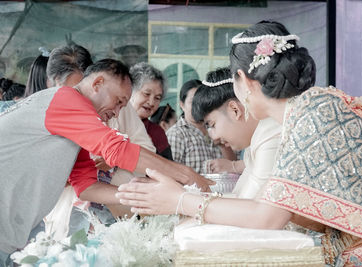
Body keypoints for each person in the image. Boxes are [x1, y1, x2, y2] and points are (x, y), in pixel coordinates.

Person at [117, 21, 362, 265]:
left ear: (242, 80)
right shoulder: (303, 113)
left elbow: (267, 217)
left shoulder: (312, 112)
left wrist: (180, 200)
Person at [0, 58, 210, 264]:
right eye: (118, 102)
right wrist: (187, 175)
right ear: (97, 83)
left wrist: (140, 196)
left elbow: (86, 186)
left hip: (13, 238)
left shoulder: (74, 126)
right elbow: (118, 150)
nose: (116, 113)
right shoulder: (65, 100)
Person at [192, 67, 281, 198]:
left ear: (235, 110)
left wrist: (186, 200)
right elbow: (239, 196)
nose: (214, 137)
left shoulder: (270, 133)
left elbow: (250, 207)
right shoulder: (255, 143)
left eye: (212, 125)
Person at [167, 79, 237, 173]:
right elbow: (170, 172)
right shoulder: (176, 134)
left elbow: (235, 167)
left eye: (200, 101)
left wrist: (222, 145)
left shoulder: (218, 126)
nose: (198, 106)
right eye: (192, 102)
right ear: (182, 105)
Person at [130, 62, 173, 160]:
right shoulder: (112, 121)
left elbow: (168, 167)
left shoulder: (157, 133)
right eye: (146, 94)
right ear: (131, 90)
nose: (151, 102)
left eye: (157, 98)